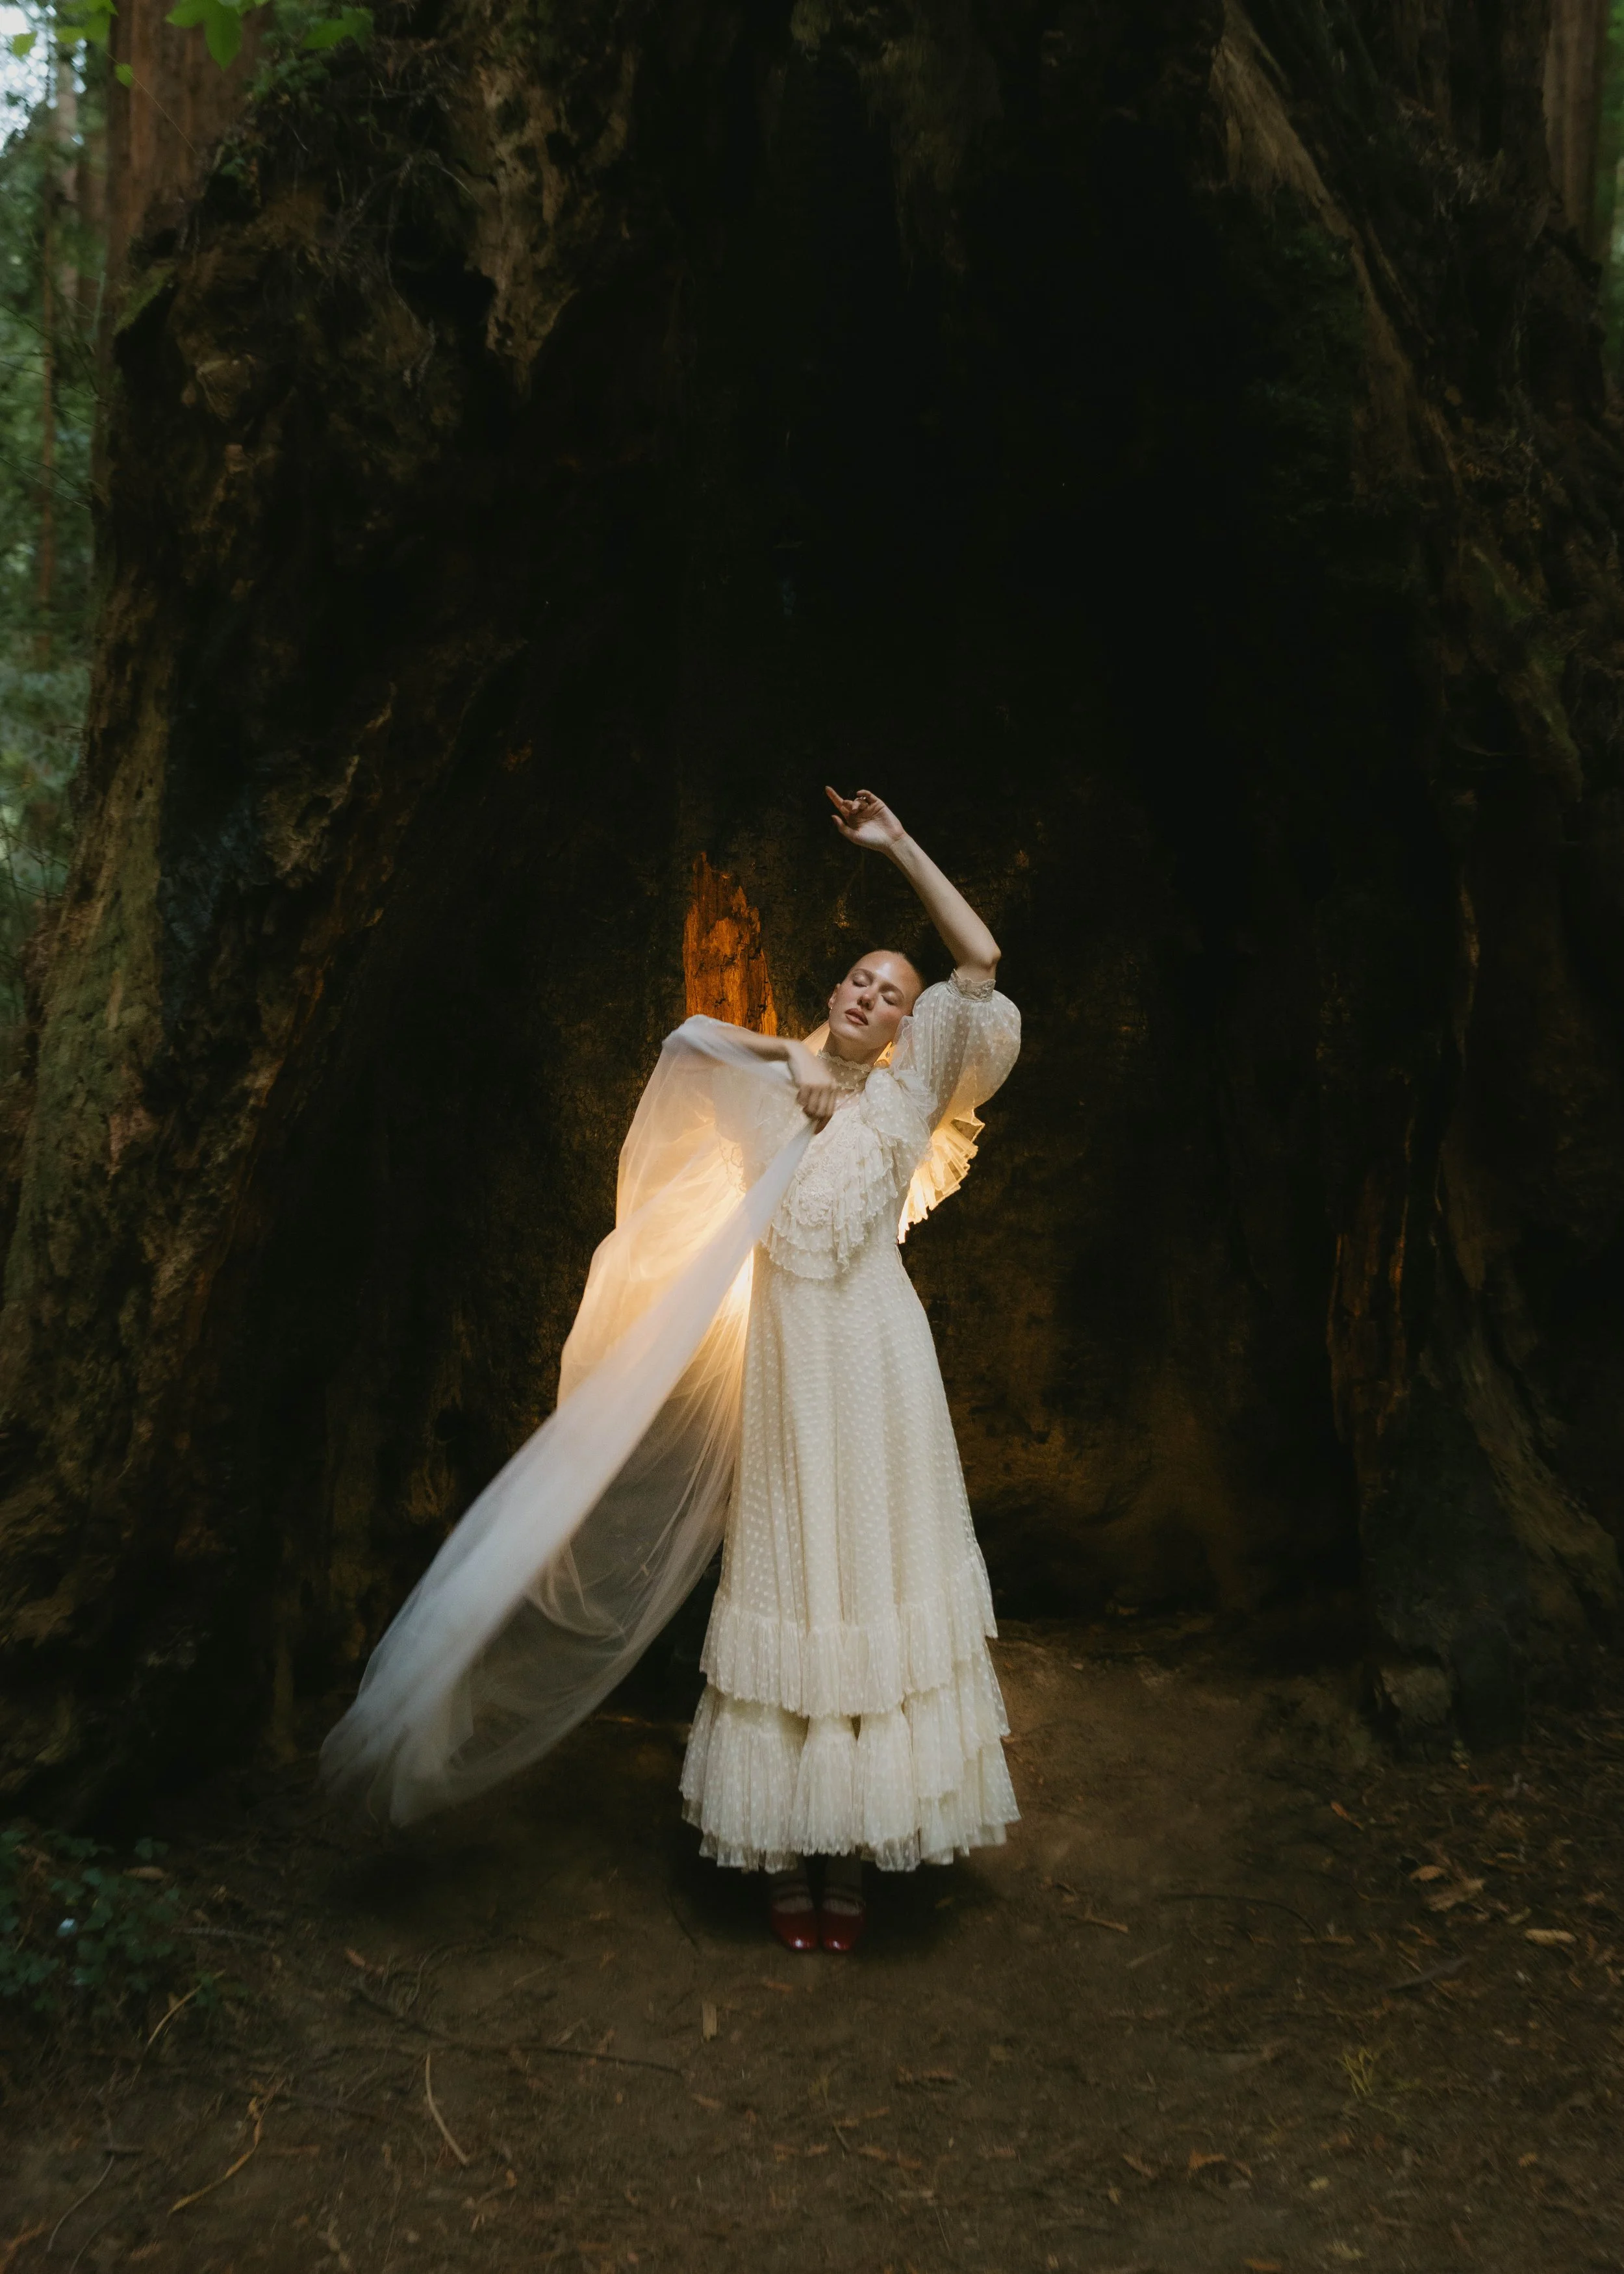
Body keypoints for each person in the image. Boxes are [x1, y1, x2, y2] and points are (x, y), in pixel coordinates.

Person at [320, 788, 1021, 1959]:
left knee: (869, 1583)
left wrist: (898, 844)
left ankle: (854, 1852)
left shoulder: (914, 1089)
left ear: (909, 1025)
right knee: (800, 1582)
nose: (871, 995)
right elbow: (686, 1045)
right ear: (834, 995)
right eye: (857, 979)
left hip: (882, 1370)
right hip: (792, 1374)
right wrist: (789, 1067)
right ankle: (789, 1847)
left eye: (892, 993)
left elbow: (983, 960)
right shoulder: (773, 1084)